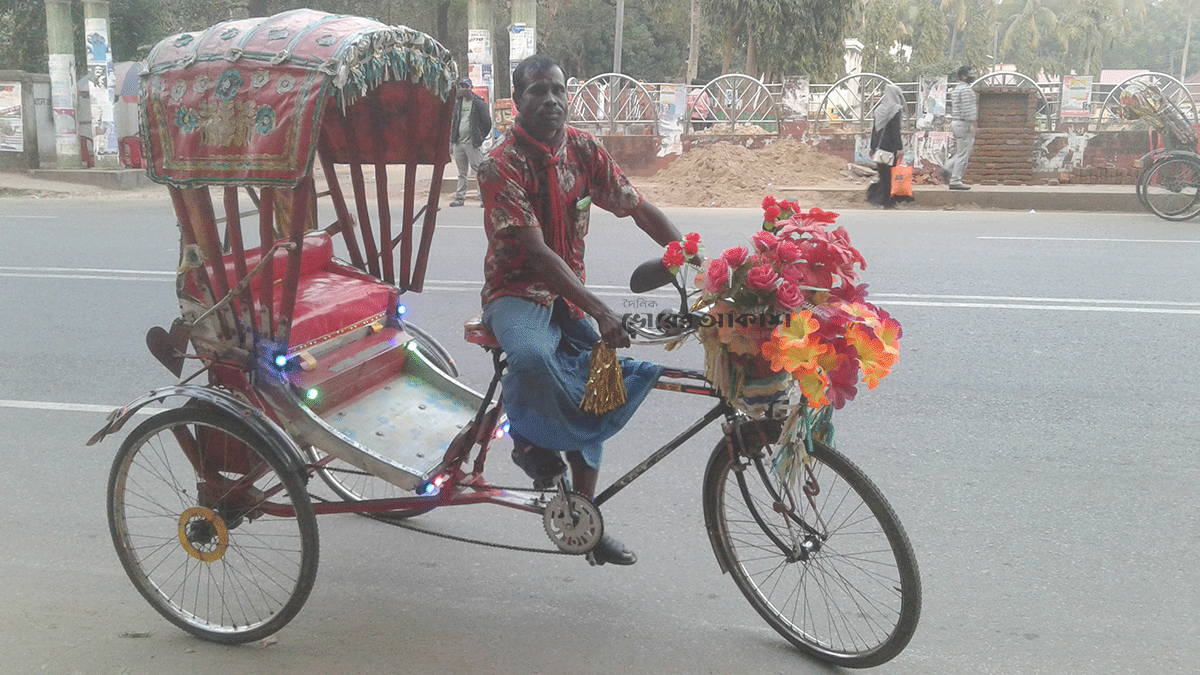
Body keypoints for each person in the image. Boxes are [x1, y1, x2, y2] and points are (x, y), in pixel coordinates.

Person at [477, 56, 685, 566]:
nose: (550, 100)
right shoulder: (498, 164)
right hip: (517, 293)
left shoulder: (584, 149)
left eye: (558, 90)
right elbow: (537, 256)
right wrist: (601, 311)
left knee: (601, 383)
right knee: (531, 356)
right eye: (537, 91)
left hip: (569, 295)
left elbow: (635, 206)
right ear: (515, 101)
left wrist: (684, 251)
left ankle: (585, 524)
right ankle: (527, 443)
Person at [450, 77, 492, 207]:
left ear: (471, 88)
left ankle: (484, 199)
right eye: (461, 86)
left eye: (466, 86)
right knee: (462, 173)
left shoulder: (478, 103)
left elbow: (487, 123)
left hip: (472, 144)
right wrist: (451, 142)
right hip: (459, 143)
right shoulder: (457, 103)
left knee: (478, 171)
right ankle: (460, 198)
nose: (463, 88)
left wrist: (480, 137)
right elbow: (453, 122)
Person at [867, 84, 909, 209]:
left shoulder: (879, 110)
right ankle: (888, 202)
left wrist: (872, 147)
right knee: (890, 176)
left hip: (879, 148)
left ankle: (882, 200)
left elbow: (875, 130)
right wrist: (899, 148)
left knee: (883, 175)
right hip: (890, 147)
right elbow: (896, 131)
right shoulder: (895, 110)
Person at [944, 65, 977, 191]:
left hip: (956, 122)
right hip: (964, 124)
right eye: (970, 74)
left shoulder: (957, 89)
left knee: (960, 151)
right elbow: (968, 110)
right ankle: (955, 180)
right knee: (964, 154)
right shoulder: (966, 90)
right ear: (963, 76)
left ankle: (947, 168)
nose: (972, 76)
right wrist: (974, 124)